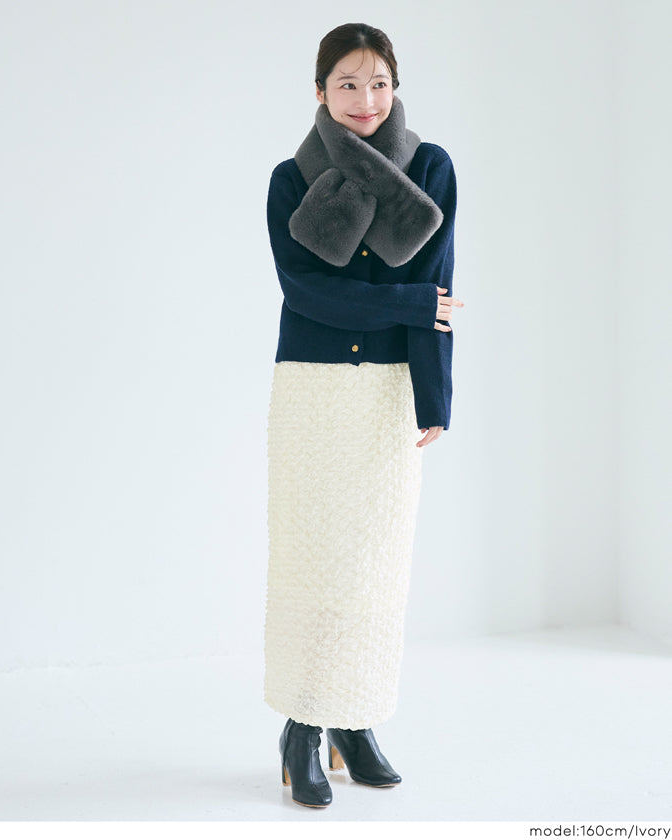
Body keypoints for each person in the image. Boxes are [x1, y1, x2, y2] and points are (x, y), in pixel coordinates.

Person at [263, 22, 464, 808]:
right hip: (312, 386)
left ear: (395, 87)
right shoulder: (291, 179)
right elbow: (305, 291)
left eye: (378, 82)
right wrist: (410, 302)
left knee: (377, 566)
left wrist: (434, 394)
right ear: (320, 92)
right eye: (347, 83)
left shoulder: (431, 168)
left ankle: (355, 720)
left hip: (388, 388)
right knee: (312, 563)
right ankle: (302, 728)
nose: (365, 99)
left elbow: (443, 286)